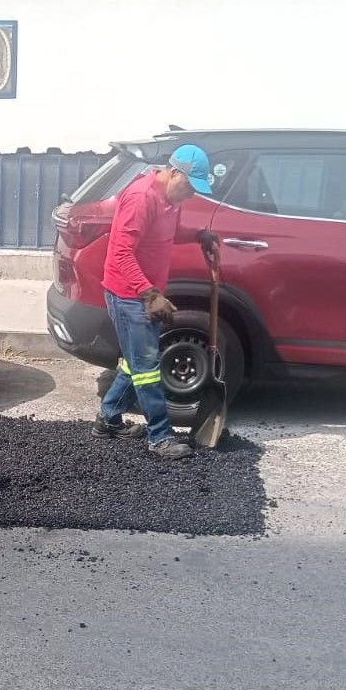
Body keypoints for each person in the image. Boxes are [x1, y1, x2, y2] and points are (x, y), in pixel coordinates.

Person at [92, 144, 219, 460]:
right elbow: (121, 253)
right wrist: (149, 294)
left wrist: (198, 235)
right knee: (146, 367)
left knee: (135, 362)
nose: (190, 194)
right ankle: (160, 437)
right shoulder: (141, 198)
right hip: (128, 295)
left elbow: (168, 234)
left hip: (142, 294)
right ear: (174, 173)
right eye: (189, 186)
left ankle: (108, 419)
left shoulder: (171, 200)